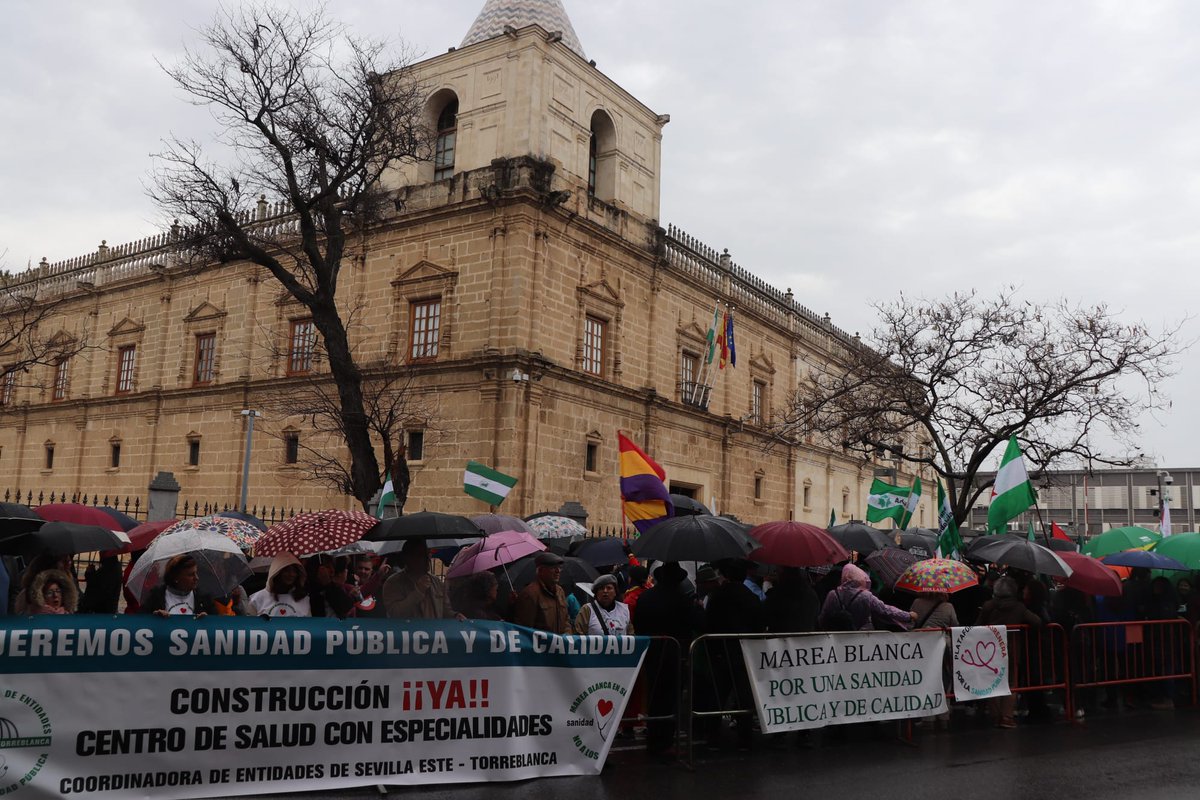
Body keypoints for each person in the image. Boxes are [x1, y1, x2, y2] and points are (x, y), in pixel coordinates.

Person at [633, 562, 701, 758]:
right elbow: (694, 622)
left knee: (654, 696)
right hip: (674, 653)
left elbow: (638, 623)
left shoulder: (646, 597)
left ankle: (653, 740)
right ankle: (665, 742)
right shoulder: (682, 599)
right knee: (671, 699)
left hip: (652, 652)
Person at [978, 576, 1042, 728]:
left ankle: (995, 715)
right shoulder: (1019, 607)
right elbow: (1037, 622)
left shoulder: (988, 606)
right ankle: (1007, 717)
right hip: (1012, 648)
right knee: (1011, 682)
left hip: (991, 650)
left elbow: (978, 625)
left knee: (991, 682)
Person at [818, 564, 916, 631]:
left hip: (837, 637)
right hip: (863, 637)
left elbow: (823, 617)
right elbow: (886, 610)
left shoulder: (833, 594)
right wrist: (908, 615)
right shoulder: (865, 596)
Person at [382, 539, 461, 620]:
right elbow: (394, 613)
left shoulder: (436, 581)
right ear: (407, 558)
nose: (427, 559)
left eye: (428, 554)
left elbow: (446, 611)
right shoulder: (393, 583)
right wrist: (418, 592)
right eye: (420, 555)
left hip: (434, 631)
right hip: (408, 631)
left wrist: (455, 616)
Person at [512, 552, 570, 634]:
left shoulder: (560, 591)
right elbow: (524, 629)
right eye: (553, 568)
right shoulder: (530, 593)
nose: (558, 571)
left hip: (561, 645)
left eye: (559, 568)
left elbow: (566, 619)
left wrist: (567, 637)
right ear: (541, 571)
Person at [143, 555, 215, 617]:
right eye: (190, 575)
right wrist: (153, 618)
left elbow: (217, 624)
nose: (196, 578)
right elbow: (140, 621)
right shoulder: (156, 597)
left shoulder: (205, 598)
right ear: (176, 577)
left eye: (196, 573)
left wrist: (207, 620)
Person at [249, 553, 311, 617]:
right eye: (286, 570)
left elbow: (309, 625)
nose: (291, 574)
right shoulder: (257, 599)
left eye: (294, 571)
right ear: (277, 573)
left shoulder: (304, 599)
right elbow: (249, 624)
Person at [764, 567, 819, 633]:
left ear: (782, 573)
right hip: (805, 639)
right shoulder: (811, 593)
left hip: (781, 638)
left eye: (776, 571)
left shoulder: (779, 594)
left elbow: (765, 616)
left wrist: (766, 584)